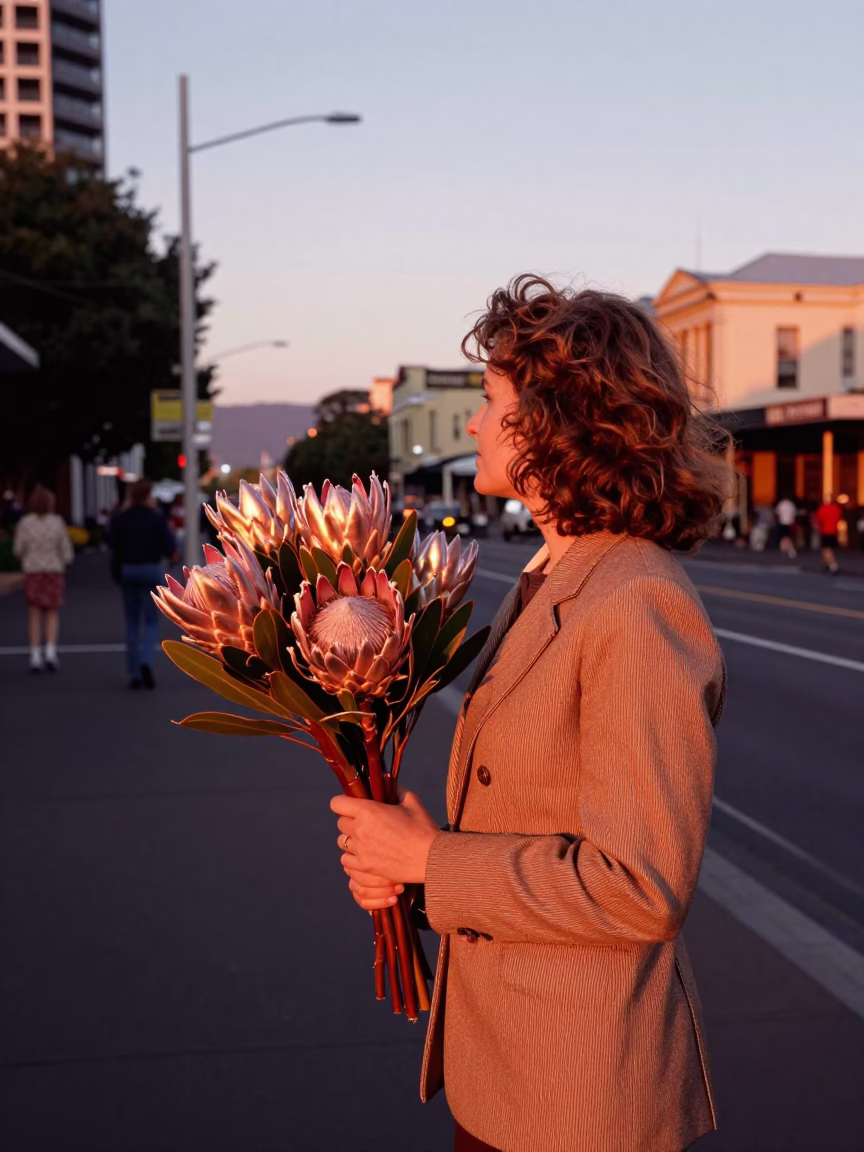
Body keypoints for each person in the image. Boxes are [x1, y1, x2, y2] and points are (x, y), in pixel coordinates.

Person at [330, 277, 731, 1152]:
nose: (472, 424)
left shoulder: (634, 600)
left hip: (579, 1094)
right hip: (507, 1066)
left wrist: (434, 860)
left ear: (554, 423)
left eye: (487, 402)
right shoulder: (556, 576)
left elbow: (642, 887)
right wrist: (418, 858)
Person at [109, 478, 177, 689]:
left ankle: (134, 672)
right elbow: (170, 549)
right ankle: (147, 660)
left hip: (128, 569)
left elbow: (113, 547)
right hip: (151, 569)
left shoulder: (121, 518)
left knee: (131, 622)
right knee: (151, 622)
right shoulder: (156, 519)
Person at [13, 485, 74, 672]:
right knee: (52, 613)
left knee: (34, 613)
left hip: (33, 571)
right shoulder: (57, 523)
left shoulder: (25, 523)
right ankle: (50, 651)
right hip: (53, 571)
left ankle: (35, 654)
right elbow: (66, 551)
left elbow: (18, 549)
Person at [814, 494, 843, 575]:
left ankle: (833, 566)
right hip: (834, 531)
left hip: (825, 531)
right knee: (828, 549)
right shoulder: (837, 509)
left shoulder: (823, 508)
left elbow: (819, 518)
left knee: (827, 549)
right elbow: (839, 518)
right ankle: (826, 564)